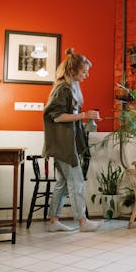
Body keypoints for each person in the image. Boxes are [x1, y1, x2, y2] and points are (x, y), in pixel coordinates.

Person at [43, 48, 101, 232]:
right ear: (73, 70)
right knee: (76, 182)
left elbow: (69, 115)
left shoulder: (70, 88)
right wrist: (84, 114)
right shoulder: (62, 89)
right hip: (63, 144)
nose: (87, 74)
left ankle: (53, 221)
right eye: (84, 71)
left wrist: (85, 116)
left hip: (64, 143)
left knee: (61, 183)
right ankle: (82, 221)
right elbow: (57, 117)